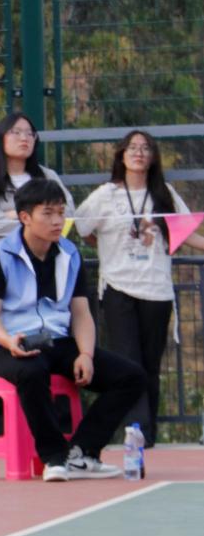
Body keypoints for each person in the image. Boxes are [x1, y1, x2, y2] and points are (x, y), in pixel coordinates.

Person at [0, 179, 145, 481]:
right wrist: (8, 341)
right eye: (48, 213)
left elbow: (80, 312)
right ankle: (54, 458)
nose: (57, 221)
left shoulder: (70, 254)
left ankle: (82, 453)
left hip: (57, 341)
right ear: (25, 217)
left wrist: (85, 354)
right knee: (31, 371)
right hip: (10, 344)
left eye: (61, 212)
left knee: (131, 376)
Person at [73, 130, 204, 447]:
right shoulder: (106, 195)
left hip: (156, 288)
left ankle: (148, 432)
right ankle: (137, 431)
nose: (139, 152)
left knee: (150, 365)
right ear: (121, 154)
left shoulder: (164, 193)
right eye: (132, 147)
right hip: (118, 287)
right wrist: (106, 247)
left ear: (153, 156)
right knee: (128, 361)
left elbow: (186, 233)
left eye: (146, 148)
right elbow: (82, 227)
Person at [0, 112, 75, 266]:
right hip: (1, 262)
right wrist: (39, 225)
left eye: (30, 133)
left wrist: (13, 215)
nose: (24, 138)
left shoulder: (48, 176)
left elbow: (68, 213)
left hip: (44, 260)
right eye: (16, 132)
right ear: (1, 138)